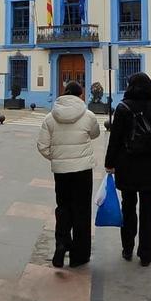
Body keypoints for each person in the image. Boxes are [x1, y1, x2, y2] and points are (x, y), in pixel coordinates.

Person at [104, 72, 151, 266]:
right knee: (147, 210)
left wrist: (109, 162)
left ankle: (127, 247)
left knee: (128, 207)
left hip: (127, 164)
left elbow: (115, 139)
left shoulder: (123, 108)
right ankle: (146, 254)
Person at [36, 81, 101, 268]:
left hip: (61, 172)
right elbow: (95, 134)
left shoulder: (50, 117)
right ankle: (79, 255)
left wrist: (57, 158)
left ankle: (62, 242)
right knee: (82, 210)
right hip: (82, 171)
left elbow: (42, 146)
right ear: (80, 95)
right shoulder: (88, 115)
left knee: (63, 208)